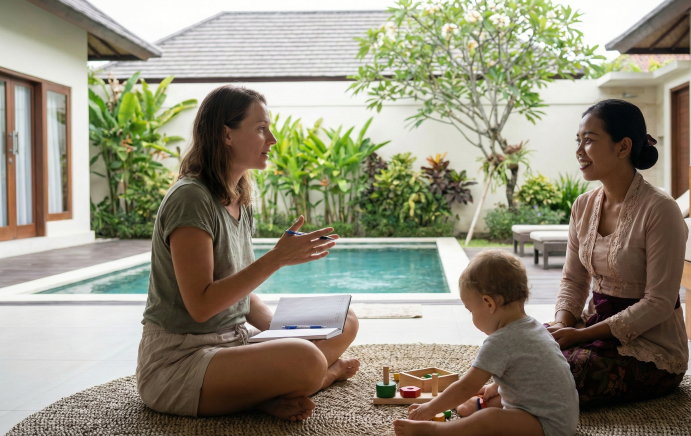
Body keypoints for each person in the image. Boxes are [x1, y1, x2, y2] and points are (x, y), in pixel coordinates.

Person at [135, 85, 360, 421]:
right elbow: (201, 305)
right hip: (180, 360)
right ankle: (314, 380)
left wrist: (285, 328)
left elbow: (237, 293)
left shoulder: (238, 197)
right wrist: (277, 258)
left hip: (232, 344)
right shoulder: (191, 199)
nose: (271, 139)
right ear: (226, 135)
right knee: (308, 360)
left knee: (345, 322)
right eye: (260, 129)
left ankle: (264, 393)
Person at [545, 99, 688, 407]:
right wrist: (562, 324)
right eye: (578, 140)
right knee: (517, 349)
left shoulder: (661, 210)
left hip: (650, 345)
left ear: (623, 147)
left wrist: (580, 336)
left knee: (566, 374)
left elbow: (660, 303)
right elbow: (573, 278)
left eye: (590, 140)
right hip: (591, 327)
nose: (579, 151)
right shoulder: (582, 206)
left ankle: (498, 406)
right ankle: (494, 404)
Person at [394, 250, 579, 436]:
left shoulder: (500, 342)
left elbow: (466, 387)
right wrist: (495, 387)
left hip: (547, 427)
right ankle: (476, 404)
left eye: (471, 311)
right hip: (562, 419)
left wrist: (429, 409)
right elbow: (531, 375)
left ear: (489, 304)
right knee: (495, 395)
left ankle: (434, 430)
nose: (472, 317)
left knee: (488, 420)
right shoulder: (536, 328)